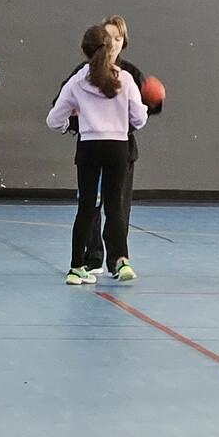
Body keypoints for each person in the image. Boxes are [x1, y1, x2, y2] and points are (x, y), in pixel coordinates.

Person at [55, 16, 162, 276]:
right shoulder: (82, 74)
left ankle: (116, 260)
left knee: (116, 207)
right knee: (93, 206)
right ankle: (92, 258)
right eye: (108, 37)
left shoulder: (130, 74)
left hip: (118, 149)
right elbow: (61, 105)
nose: (113, 43)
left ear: (124, 42)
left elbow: (143, 112)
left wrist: (154, 102)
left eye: (118, 38)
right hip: (105, 147)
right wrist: (78, 122)